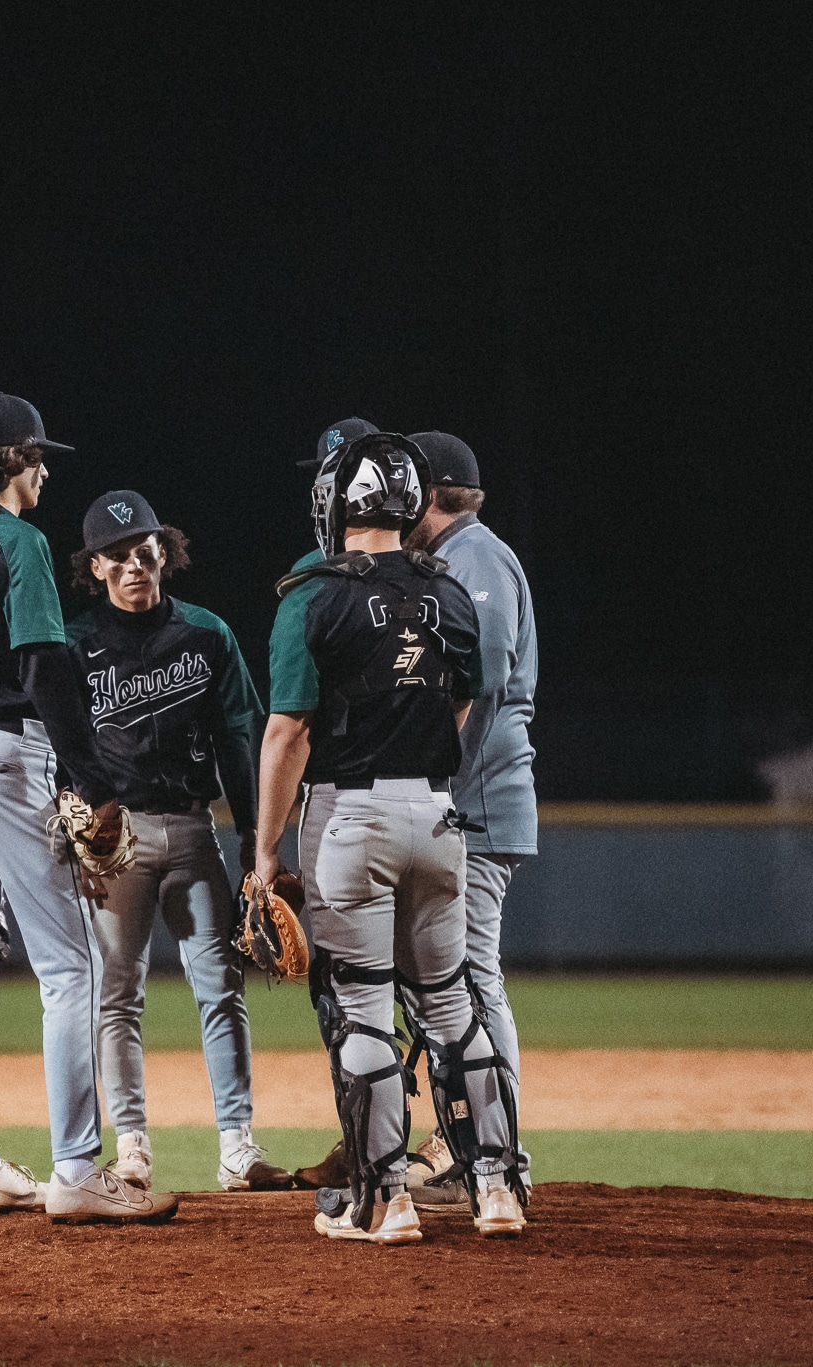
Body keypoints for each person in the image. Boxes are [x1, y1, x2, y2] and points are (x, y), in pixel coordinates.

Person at [0, 392, 176, 1225]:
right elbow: (47, 669)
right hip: (2, 746)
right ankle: (74, 1166)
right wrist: (96, 785)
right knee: (71, 966)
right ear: (8, 463)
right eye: (35, 456)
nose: (45, 469)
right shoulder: (16, 538)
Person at [251, 429, 523, 1243]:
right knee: (452, 1006)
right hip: (439, 818)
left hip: (353, 815)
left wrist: (265, 852)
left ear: (337, 503)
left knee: (362, 1013)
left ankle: (386, 1199)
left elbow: (287, 735)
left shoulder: (312, 594)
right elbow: (469, 702)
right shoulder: (447, 589)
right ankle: (500, 1187)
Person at [62, 489, 291, 1193]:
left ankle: (237, 1146)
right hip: (115, 839)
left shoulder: (206, 634)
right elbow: (56, 748)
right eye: (118, 556)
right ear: (95, 566)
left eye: (145, 551)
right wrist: (69, 831)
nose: (134, 565)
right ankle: (131, 1147)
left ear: (166, 553)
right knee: (117, 995)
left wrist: (258, 844)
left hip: (194, 829)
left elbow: (240, 742)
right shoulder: (74, 646)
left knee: (221, 987)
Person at [400, 431, 537, 1214]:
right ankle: (473, 1147)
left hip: (477, 802)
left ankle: (501, 1155)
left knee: (475, 985)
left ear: (430, 494)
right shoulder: (459, 556)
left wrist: (437, 777)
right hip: (473, 800)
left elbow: (483, 678)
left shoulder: (475, 554)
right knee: (455, 985)